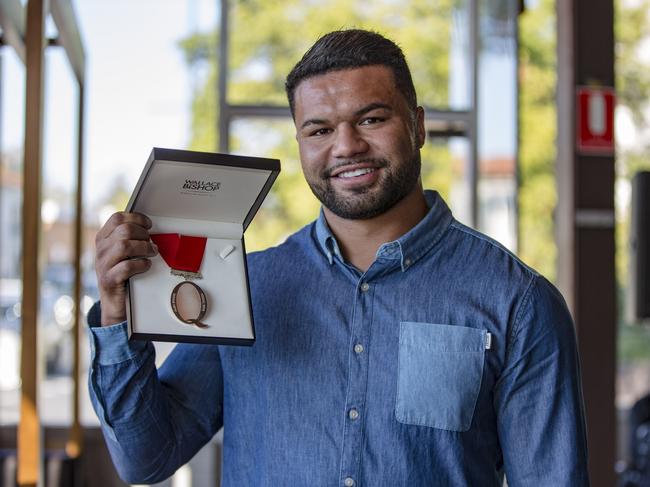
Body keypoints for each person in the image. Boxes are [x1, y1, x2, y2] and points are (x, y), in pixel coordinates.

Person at [90, 29, 589, 486]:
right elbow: (146, 459)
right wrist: (117, 316)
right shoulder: (249, 288)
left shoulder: (518, 302)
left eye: (371, 118)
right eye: (319, 130)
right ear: (300, 143)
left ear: (417, 126)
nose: (346, 146)